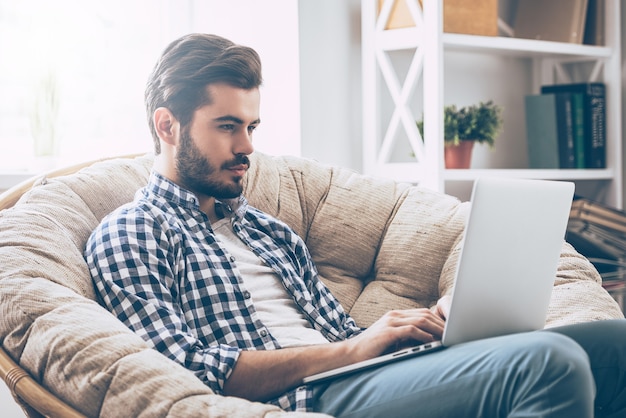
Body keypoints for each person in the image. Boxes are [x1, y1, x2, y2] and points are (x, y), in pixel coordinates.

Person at [85, 33, 626, 417]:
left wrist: (424, 327)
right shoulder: (131, 233)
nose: (248, 147)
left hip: (363, 373)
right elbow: (183, 368)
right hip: (311, 398)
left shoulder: (268, 231)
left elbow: (341, 334)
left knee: (614, 342)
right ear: (168, 125)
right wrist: (353, 352)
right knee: (548, 362)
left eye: (251, 126)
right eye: (227, 127)